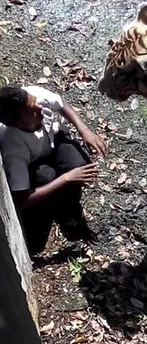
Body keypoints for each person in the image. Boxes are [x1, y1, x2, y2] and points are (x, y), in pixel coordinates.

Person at [0, 84, 107, 254]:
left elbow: (61, 103)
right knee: (48, 179)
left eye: (36, 102)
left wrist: (84, 130)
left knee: (80, 165)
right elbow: (21, 199)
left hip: (53, 141)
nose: (41, 107)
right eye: (32, 111)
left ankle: (69, 206)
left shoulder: (35, 96)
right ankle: (66, 217)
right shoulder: (13, 148)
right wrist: (66, 178)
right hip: (33, 163)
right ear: (18, 123)